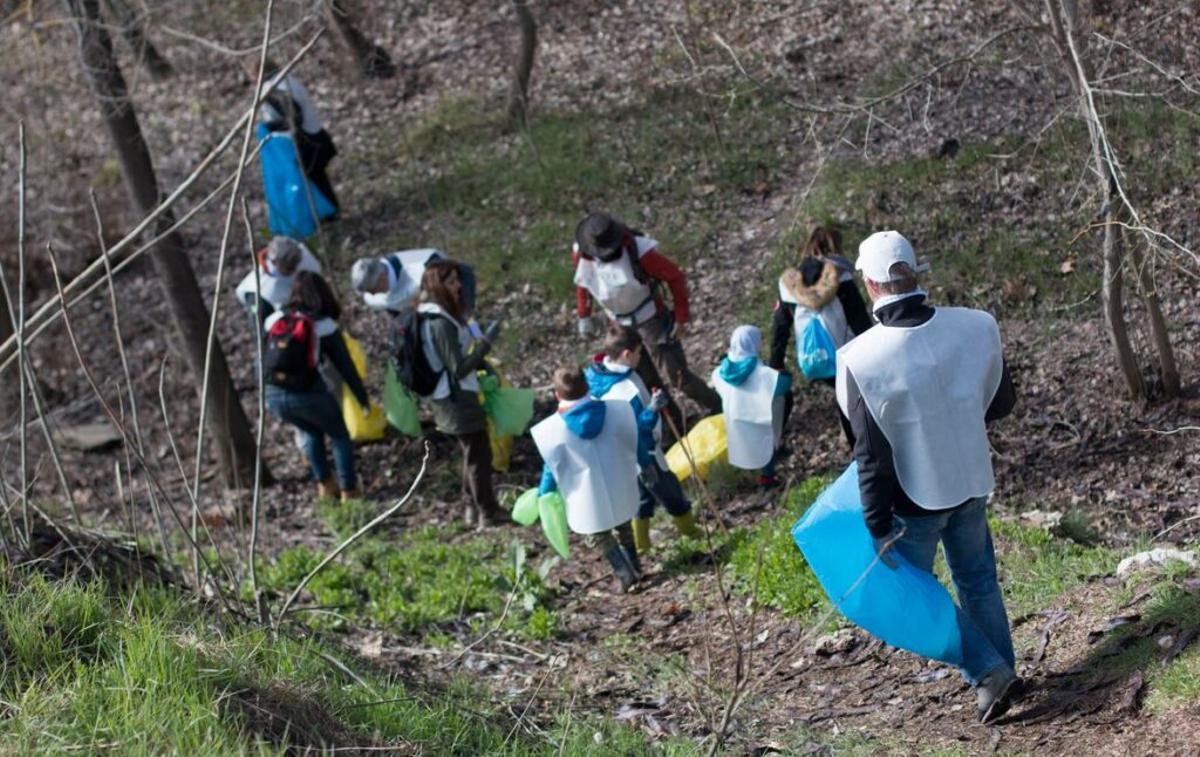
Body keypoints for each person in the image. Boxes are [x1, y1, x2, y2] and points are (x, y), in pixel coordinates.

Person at [835, 230, 1018, 723]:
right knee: (978, 580)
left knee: (908, 593)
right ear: (917, 273)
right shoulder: (975, 326)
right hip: (972, 477)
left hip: (912, 501)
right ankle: (1001, 671)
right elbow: (1001, 402)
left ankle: (988, 670)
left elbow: (868, 454)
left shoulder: (860, 358)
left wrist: (875, 526)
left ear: (870, 285)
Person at [572, 212, 721, 428]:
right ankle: (674, 427)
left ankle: (717, 406)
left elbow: (674, 277)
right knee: (646, 381)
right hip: (619, 324)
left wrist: (680, 316)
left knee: (677, 374)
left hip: (651, 318)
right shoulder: (582, 254)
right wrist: (584, 314)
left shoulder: (638, 251)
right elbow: (583, 282)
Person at [532, 367, 665, 592]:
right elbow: (633, 440)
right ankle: (634, 565)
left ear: (557, 395)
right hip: (618, 480)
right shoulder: (617, 411)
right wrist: (646, 464)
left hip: (584, 494)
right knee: (623, 523)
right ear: (588, 386)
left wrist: (544, 492)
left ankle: (624, 573)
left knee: (598, 535)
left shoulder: (552, 430)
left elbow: (551, 465)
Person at [585, 325, 701, 552]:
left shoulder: (599, 376)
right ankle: (690, 531)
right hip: (645, 452)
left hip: (624, 457)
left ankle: (642, 544)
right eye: (639, 353)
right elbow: (636, 428)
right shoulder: (622, 389)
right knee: (671, 492)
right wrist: (653, 409)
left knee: (643, 497)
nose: (641, 357)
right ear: (627, 355)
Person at [263, 271, 369, 501]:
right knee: (339, 435)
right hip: (308, 393)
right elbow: (346, 367)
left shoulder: (273, 320)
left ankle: (325, 486)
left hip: (274, 395)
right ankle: (349, 491)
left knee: (311, 431)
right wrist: (363, 400)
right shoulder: (324, 325)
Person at [417, 260, 502, 527]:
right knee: (478, 454)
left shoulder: (447, 314)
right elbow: (458, 367)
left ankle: (471, 507)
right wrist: (485, 346)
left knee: (471, 452)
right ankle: (487, 512)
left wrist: (481, 355)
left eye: (457, 280)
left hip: (453, 395)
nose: (458, 286)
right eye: (451, 282)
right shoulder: (438, 322)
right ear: (437, 285)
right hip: (454, 398)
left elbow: (466, 339)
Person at [769, 226, 871, 448]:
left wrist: (775, 363)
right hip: (847, 352)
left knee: (842, 395)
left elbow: (780, 325)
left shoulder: (790, 286)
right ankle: (862, 446)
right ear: (835, 246)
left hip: (814, 357)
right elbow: (859, 318)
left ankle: (857, 449)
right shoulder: (841, 277)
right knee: (855, 400)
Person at [250, 58, 340, 212]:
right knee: (317, 177)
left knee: (311, 179)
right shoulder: (287, 78)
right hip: (317, 134)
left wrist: (268, 127)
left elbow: (294, 117)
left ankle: (327, 213)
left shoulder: (270, 89)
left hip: (308, 142)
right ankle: (330, 212)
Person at [711, 326, 792, 488]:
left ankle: (752, 472)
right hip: (760, 419)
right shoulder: (762, 373)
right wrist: (785, 374)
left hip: (736, 420)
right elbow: (783, 386)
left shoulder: (718, 373)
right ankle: (767, 477)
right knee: (781, 404)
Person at [351, 250, 477, 318]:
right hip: (430, 326)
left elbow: (463, 275)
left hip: (453, 306)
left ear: (382, 277)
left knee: (472, 327)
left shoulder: (424, 265)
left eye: (373, 289)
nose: (372, 294)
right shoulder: (372, 297)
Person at [235, 236, 321, 329]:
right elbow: (258, 328)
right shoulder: (257, 290)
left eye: (295, 265)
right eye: (288, 267)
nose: (293, 270)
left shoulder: (302, 257)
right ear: (274, 262)